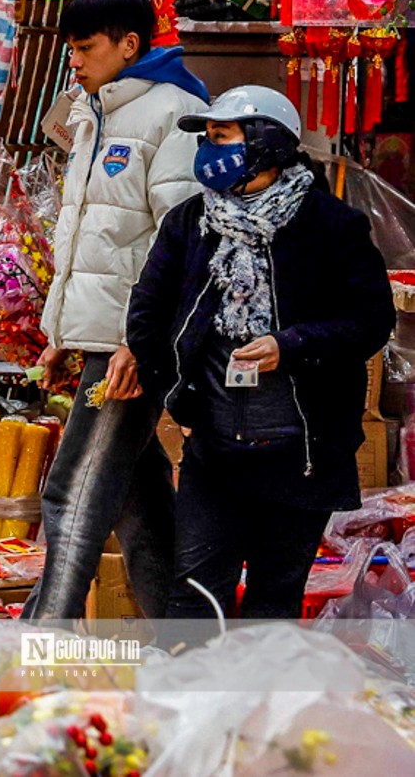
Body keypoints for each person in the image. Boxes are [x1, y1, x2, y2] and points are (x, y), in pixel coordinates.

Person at [129, 87, 395, 619]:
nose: (208, 151)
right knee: (196, 596)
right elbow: (148, 317)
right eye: (206, 139)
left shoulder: (332, 225)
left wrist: (289, 345)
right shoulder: (189, 223)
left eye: (221, 137)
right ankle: (193, 702)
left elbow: (371, 322)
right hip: (214, 454)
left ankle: (257, 704)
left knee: (275, 602)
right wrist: (179, 403)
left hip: (302, 457)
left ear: (267, 143)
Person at [23, 0, 210, 621]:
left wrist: (139, 340)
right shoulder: (95, 113)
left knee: (72, 490)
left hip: (131, 349)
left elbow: (180, 242)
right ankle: (182, 637)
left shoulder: (173, 116)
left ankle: (42, 637)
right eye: (70, 49)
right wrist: (58, 332)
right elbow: (84, 238)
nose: (73, 61)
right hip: (106, 340)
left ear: (130, 44)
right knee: (137, 497)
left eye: (85, 48)